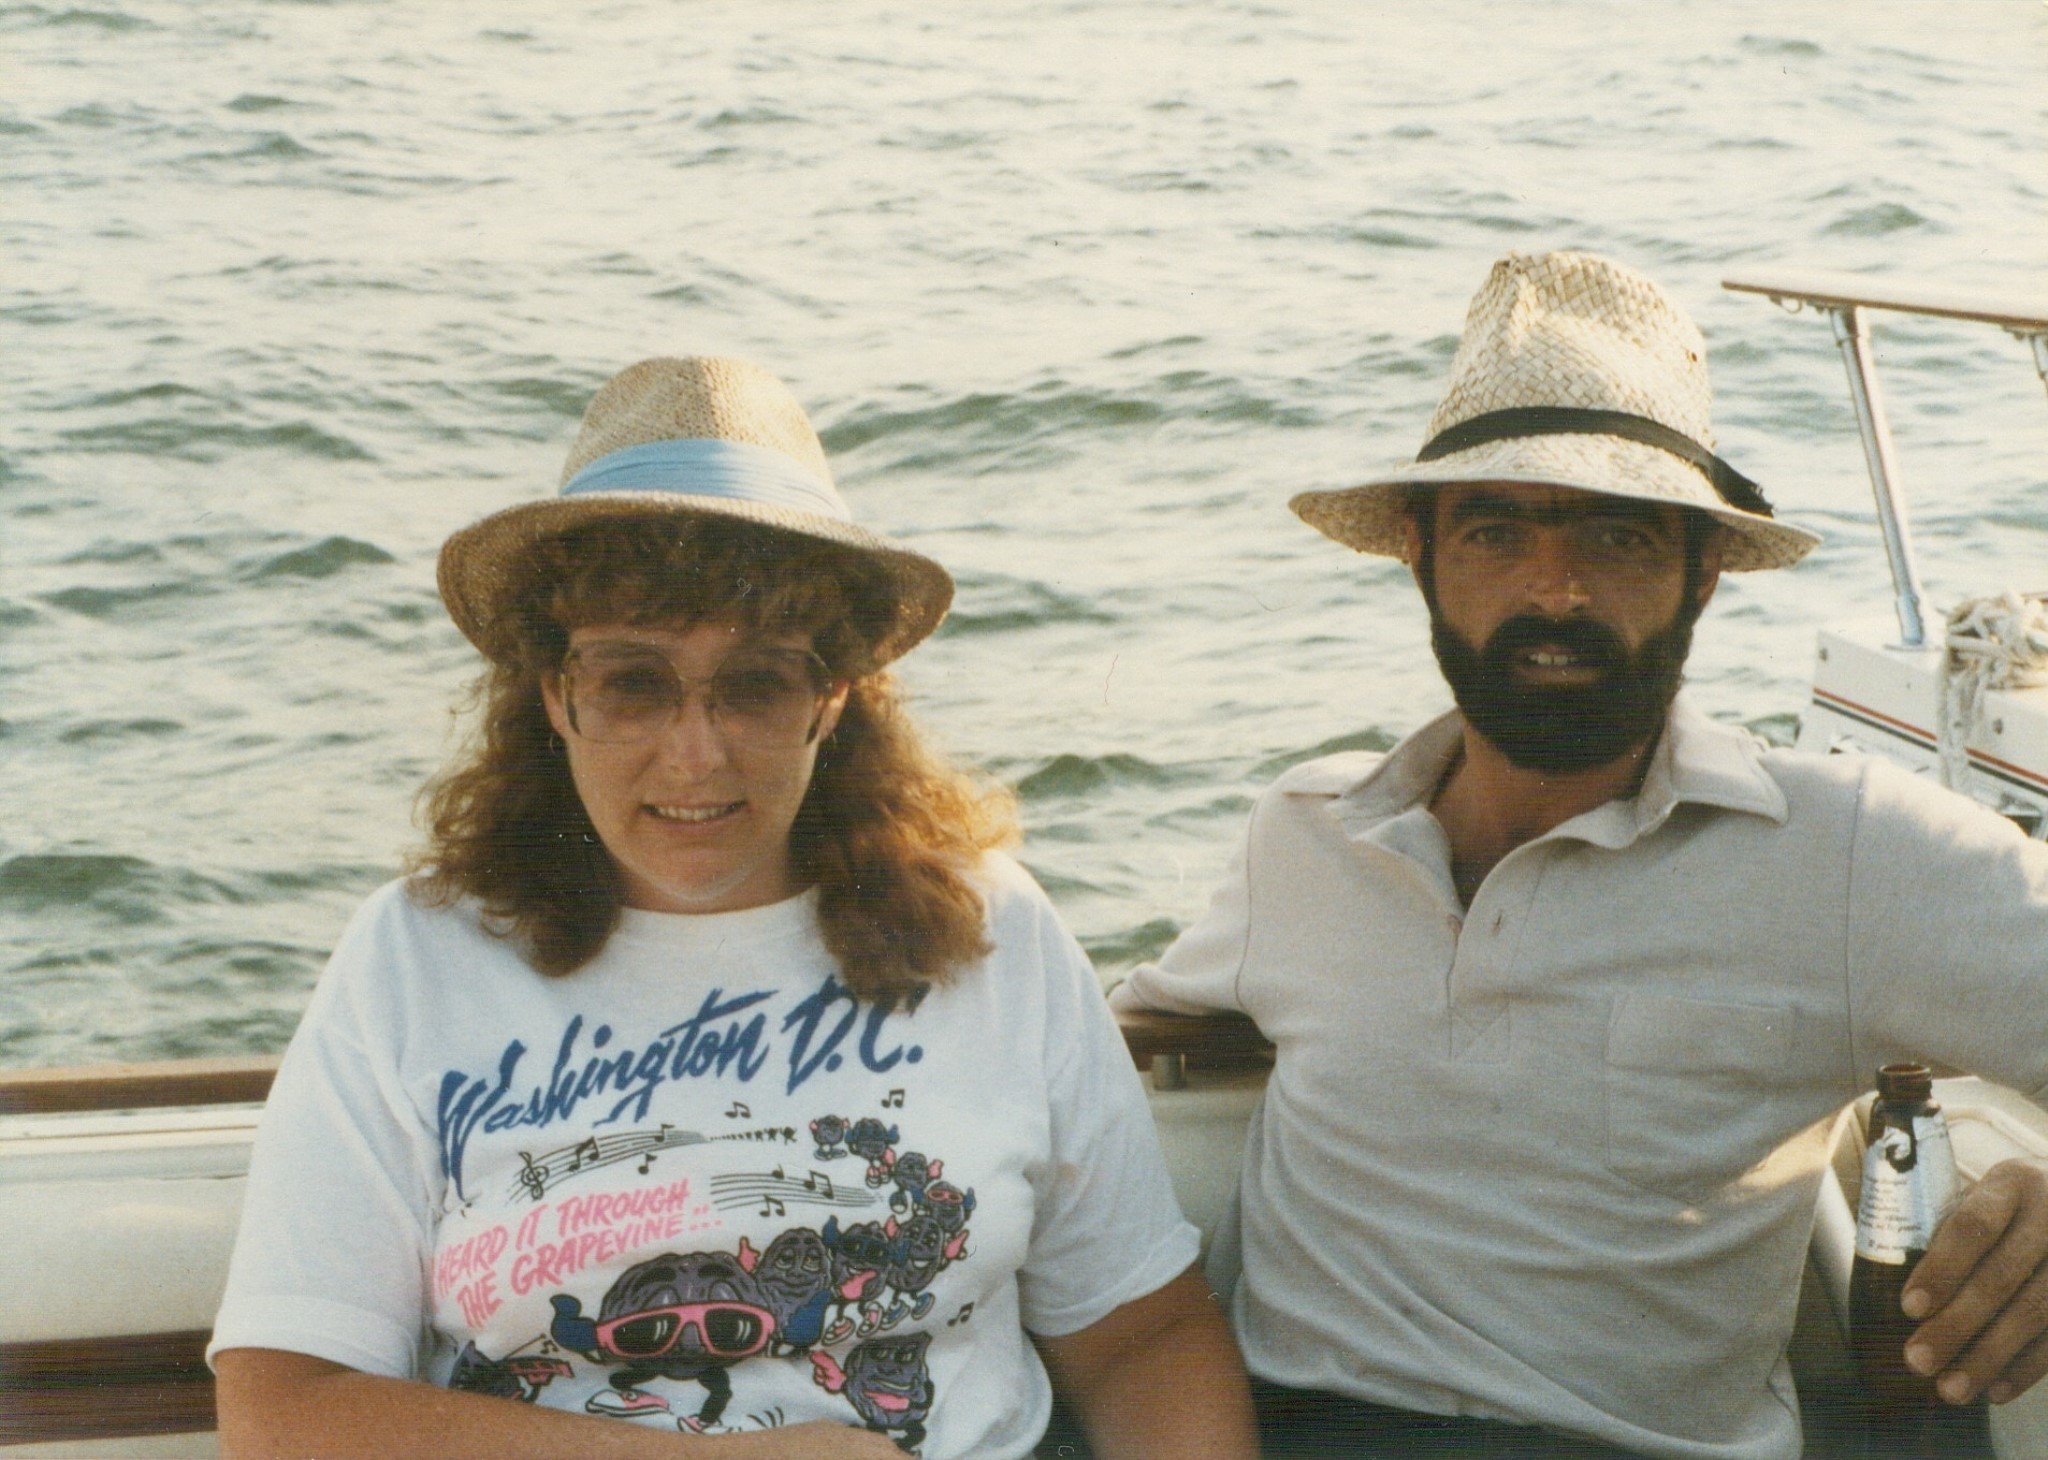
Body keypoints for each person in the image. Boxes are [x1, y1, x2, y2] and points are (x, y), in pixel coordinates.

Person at [210, 356, 1257, 1460]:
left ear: (832, 697)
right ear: (555, 694)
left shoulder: (990, 930)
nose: (695, 754)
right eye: (633, 682)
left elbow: (1141, 1338)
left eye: (756, 682)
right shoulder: (415, 955)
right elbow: (285, 1410)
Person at [1111, 251, 2048, 1459]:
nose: (1552, 590)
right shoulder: (1303, 834)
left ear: (1701, 574)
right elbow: (1087, 1049)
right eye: (1495, 531)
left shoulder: (1850, 852)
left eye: (1616, 535)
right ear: (1419, 555)